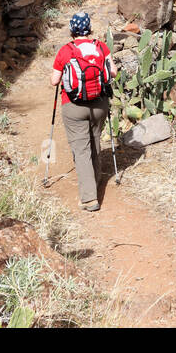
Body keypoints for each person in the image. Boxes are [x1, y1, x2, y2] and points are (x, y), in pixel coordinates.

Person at [50, 12, 112, 211]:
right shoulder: (101, 47)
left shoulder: (66, 51)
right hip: (99, 104)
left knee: (81, 150)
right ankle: (95, 181)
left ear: (72, 30)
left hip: (74, 106)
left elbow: (54, 81)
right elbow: (113, 72)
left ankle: (89, 199)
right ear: (89, 28)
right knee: (94, 142)